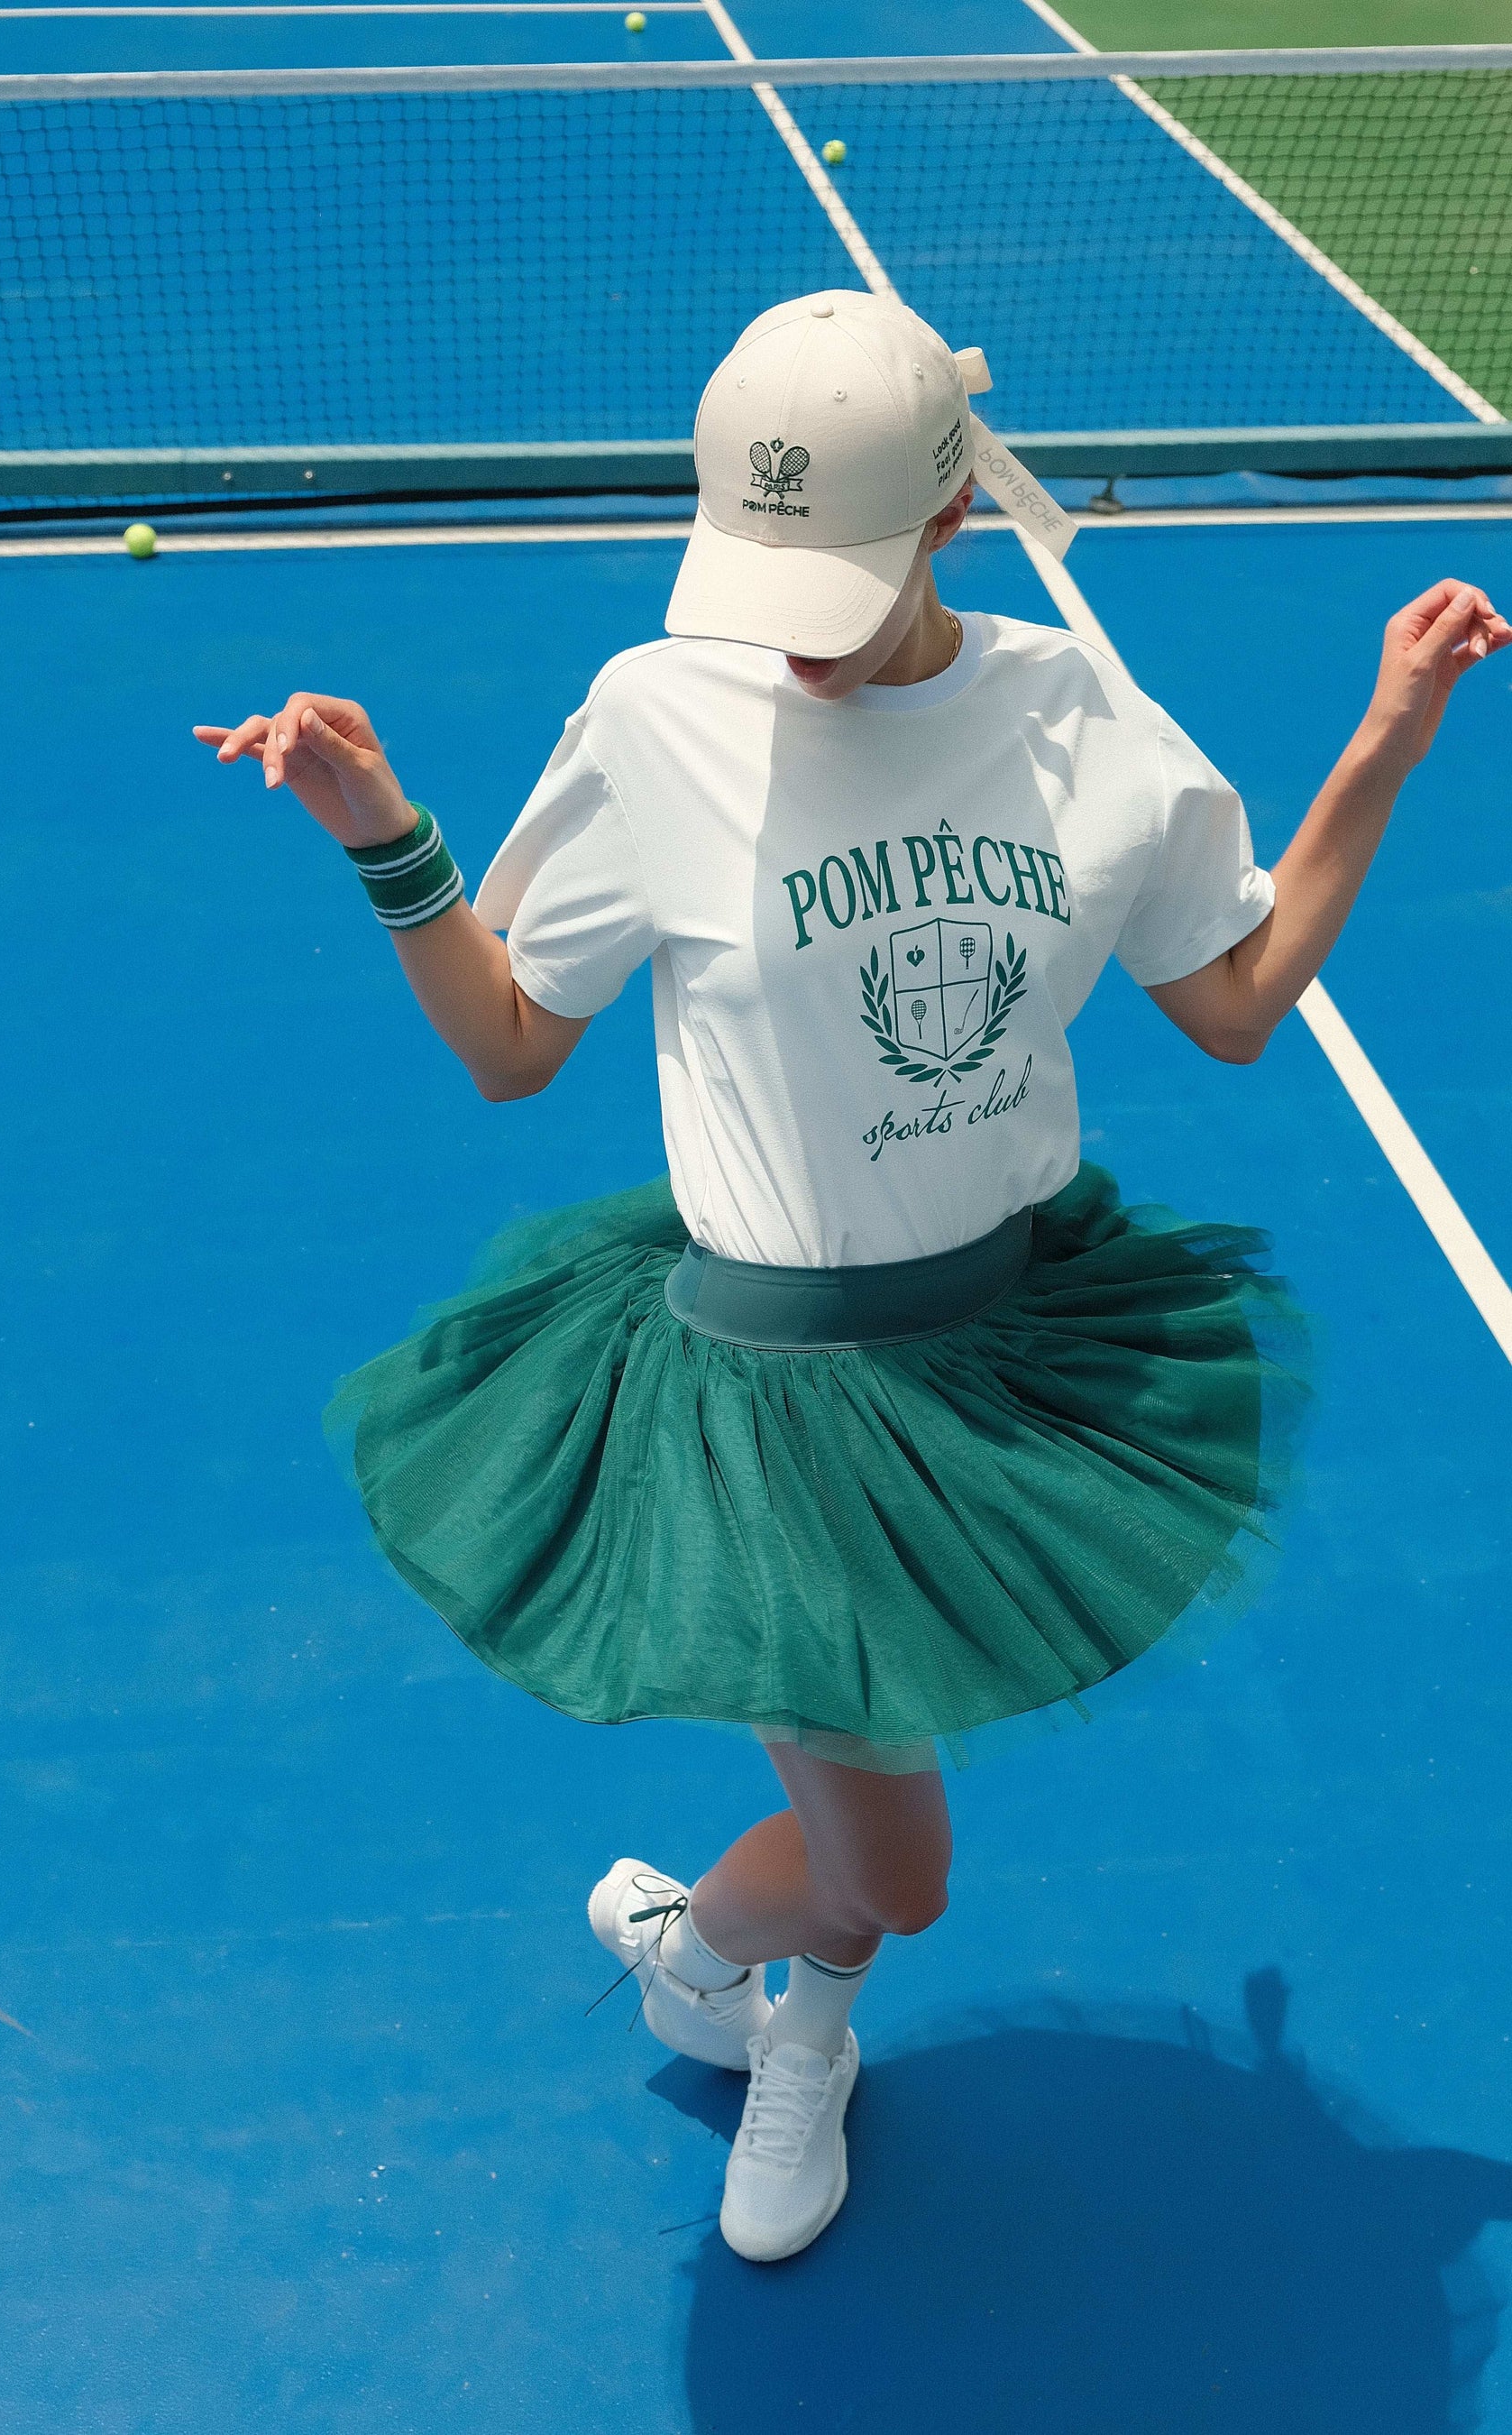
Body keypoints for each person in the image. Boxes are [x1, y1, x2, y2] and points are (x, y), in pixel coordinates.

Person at [196, 289, 1507, 2266]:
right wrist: (388, 837)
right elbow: (509, 1045)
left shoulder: (1074, 716)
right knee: (904, 1864)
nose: (791, 627)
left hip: (1008, 1362)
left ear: (956, 521)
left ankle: (763, 1984)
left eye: (840, 578)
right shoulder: (660, 715)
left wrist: (1390, 740)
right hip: (775, 1400)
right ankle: (719, 1966)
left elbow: (1235, 1005)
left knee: (870, 1859)